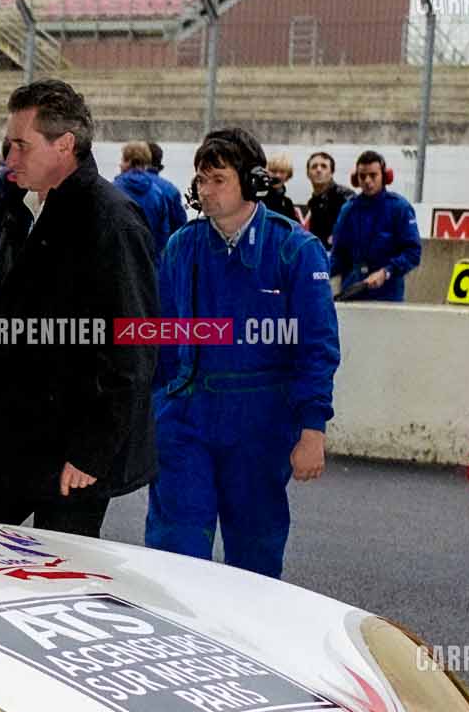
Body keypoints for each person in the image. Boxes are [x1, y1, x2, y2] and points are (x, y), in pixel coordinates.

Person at [0, 80, 157, 537]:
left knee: (56, 584)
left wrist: (92, 452)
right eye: (9, 146)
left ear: (64, 145)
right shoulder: (22, 208)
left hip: (71, 458)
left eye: (21, 147)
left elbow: (134, 348)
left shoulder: (114, 221)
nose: (10, 159)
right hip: (3, 444)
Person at [143, 128, 340, 579]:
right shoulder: (181, 246)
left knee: (253, 557)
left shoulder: (295, 249)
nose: (205, 191)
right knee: (174, 550)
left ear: (251, 183)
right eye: (200, 179)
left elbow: (318, 345)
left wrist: (313, 429)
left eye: (218, 179)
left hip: (261, 423)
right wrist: (154, 409)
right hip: (185, 417)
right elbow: (162, 339)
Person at [328, 151, 419, 301]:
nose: (368, 181)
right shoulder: (348, 210)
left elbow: (413, 253)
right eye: (362, 176)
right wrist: (319, 275)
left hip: (387, 296)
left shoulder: (400, 208)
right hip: (352, 293)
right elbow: (338, 255)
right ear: (355, 179)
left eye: (373, 175)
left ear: (384, 176)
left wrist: (386, 272)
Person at [112, 140, 186, 254]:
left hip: (121, 260)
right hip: (150, 260)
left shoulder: (113, 189)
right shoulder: (158, 192)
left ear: (129, 161)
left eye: (122, 159)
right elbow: (167, 232)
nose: (120, 164)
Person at [301, 150, 345, 248]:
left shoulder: (344, 197)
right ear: (308, 173)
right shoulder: (313, 202)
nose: (319, 170)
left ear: (331, 172)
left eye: (324, 166)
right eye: (314, 166)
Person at [261, 154, 300, 224]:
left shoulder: (287, 203)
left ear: (287, 176)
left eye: (282, 172)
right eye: (273, 171)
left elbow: (295, 227)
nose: (277, 175)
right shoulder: (258, 199)